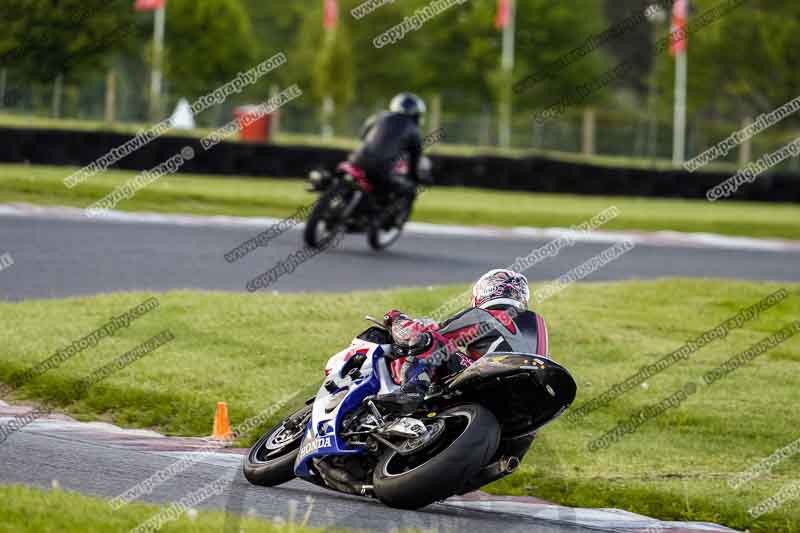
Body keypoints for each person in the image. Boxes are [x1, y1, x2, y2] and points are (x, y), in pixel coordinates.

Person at [376, 269, 550, 410]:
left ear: (486, 291)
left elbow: (435, 334)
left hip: (491, 380)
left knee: (430, 341)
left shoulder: (489, 315)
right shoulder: (539, 325)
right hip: (530, 402)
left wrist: (397, 319)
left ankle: (410, 393)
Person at [344, 92, 426, 201]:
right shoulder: (414, 130)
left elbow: (363, 135)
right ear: (416, 113)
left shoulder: (379, 116)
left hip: (356, 160)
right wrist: (415, 179)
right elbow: (414, 160)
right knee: (408, 189)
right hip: (382, 171)